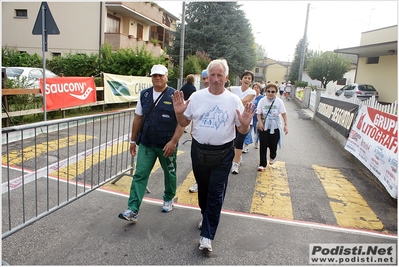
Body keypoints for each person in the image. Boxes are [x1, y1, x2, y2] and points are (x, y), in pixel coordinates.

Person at [171, 59, 254, 252]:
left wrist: (245, 123)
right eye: (212, 75)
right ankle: (206, 215)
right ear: (207, 78)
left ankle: (207, 235)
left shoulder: (233, 100)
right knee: (204, 190)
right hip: (199, 152)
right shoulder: (197, 97)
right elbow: (183, 122)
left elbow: (242, 130)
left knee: (216, 193)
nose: (216, 79)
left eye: (220, 75)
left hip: (223, 154)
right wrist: (177, 112)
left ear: (226, 78)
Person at [118, 64, 185, 223]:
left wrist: (173, 142)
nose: (157, 78)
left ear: (167, 76)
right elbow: (138, 118)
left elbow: (182, 123)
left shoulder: (175, 96)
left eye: (160, 75)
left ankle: (168, 198)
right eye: (154, 75)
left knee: (169, 173)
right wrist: (133, 140)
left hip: (166, 146)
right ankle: (133, 209)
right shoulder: (145, 94)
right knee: (139, 175)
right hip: (147, 144)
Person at [256, 83, 288, 171]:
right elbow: (258, 113)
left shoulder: (279, 102)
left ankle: (272, 156)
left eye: (273, 91)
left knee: (273, 144)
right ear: (265, 91)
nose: (270, 93)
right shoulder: (262, 101)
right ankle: (262, 164)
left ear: (276, 92)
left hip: (275, 126)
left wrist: (286, 125)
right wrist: (260, 123)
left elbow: (284, 114)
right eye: (268, 91)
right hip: (264, 125)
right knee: (263, 144)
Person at [229, 70, 256, 174]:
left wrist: (232, 99)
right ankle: (237, 157)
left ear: (251, 82)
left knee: (239, 141)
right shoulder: (233, 89)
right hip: (233, 119)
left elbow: (244, 101)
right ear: (241, 79)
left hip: (244, 120)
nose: (247, 80)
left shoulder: (252, 92)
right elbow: (224, 91)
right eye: (245, 77)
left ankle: (235, 165)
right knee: (232, 141)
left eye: (249, 78)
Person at [189, 70, 210, 193]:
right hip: (199, 137)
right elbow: (195, 115)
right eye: (204, 79)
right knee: (199, 164)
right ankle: (199, 182)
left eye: (208, 77)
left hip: (218, 142)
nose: (206, 81)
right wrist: (192, 128)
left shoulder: (225, 94)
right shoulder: (198, 95)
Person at [251, 82, 264, 149]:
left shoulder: (262, 97)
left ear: (260, 89)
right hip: (250, 115)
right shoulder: (250, 96)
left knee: (257, 130)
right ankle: (247, 143)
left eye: (257, 88)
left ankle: (256, 141)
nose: (256, 89)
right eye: (254, 87)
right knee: (249, 130)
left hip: (257, 116)